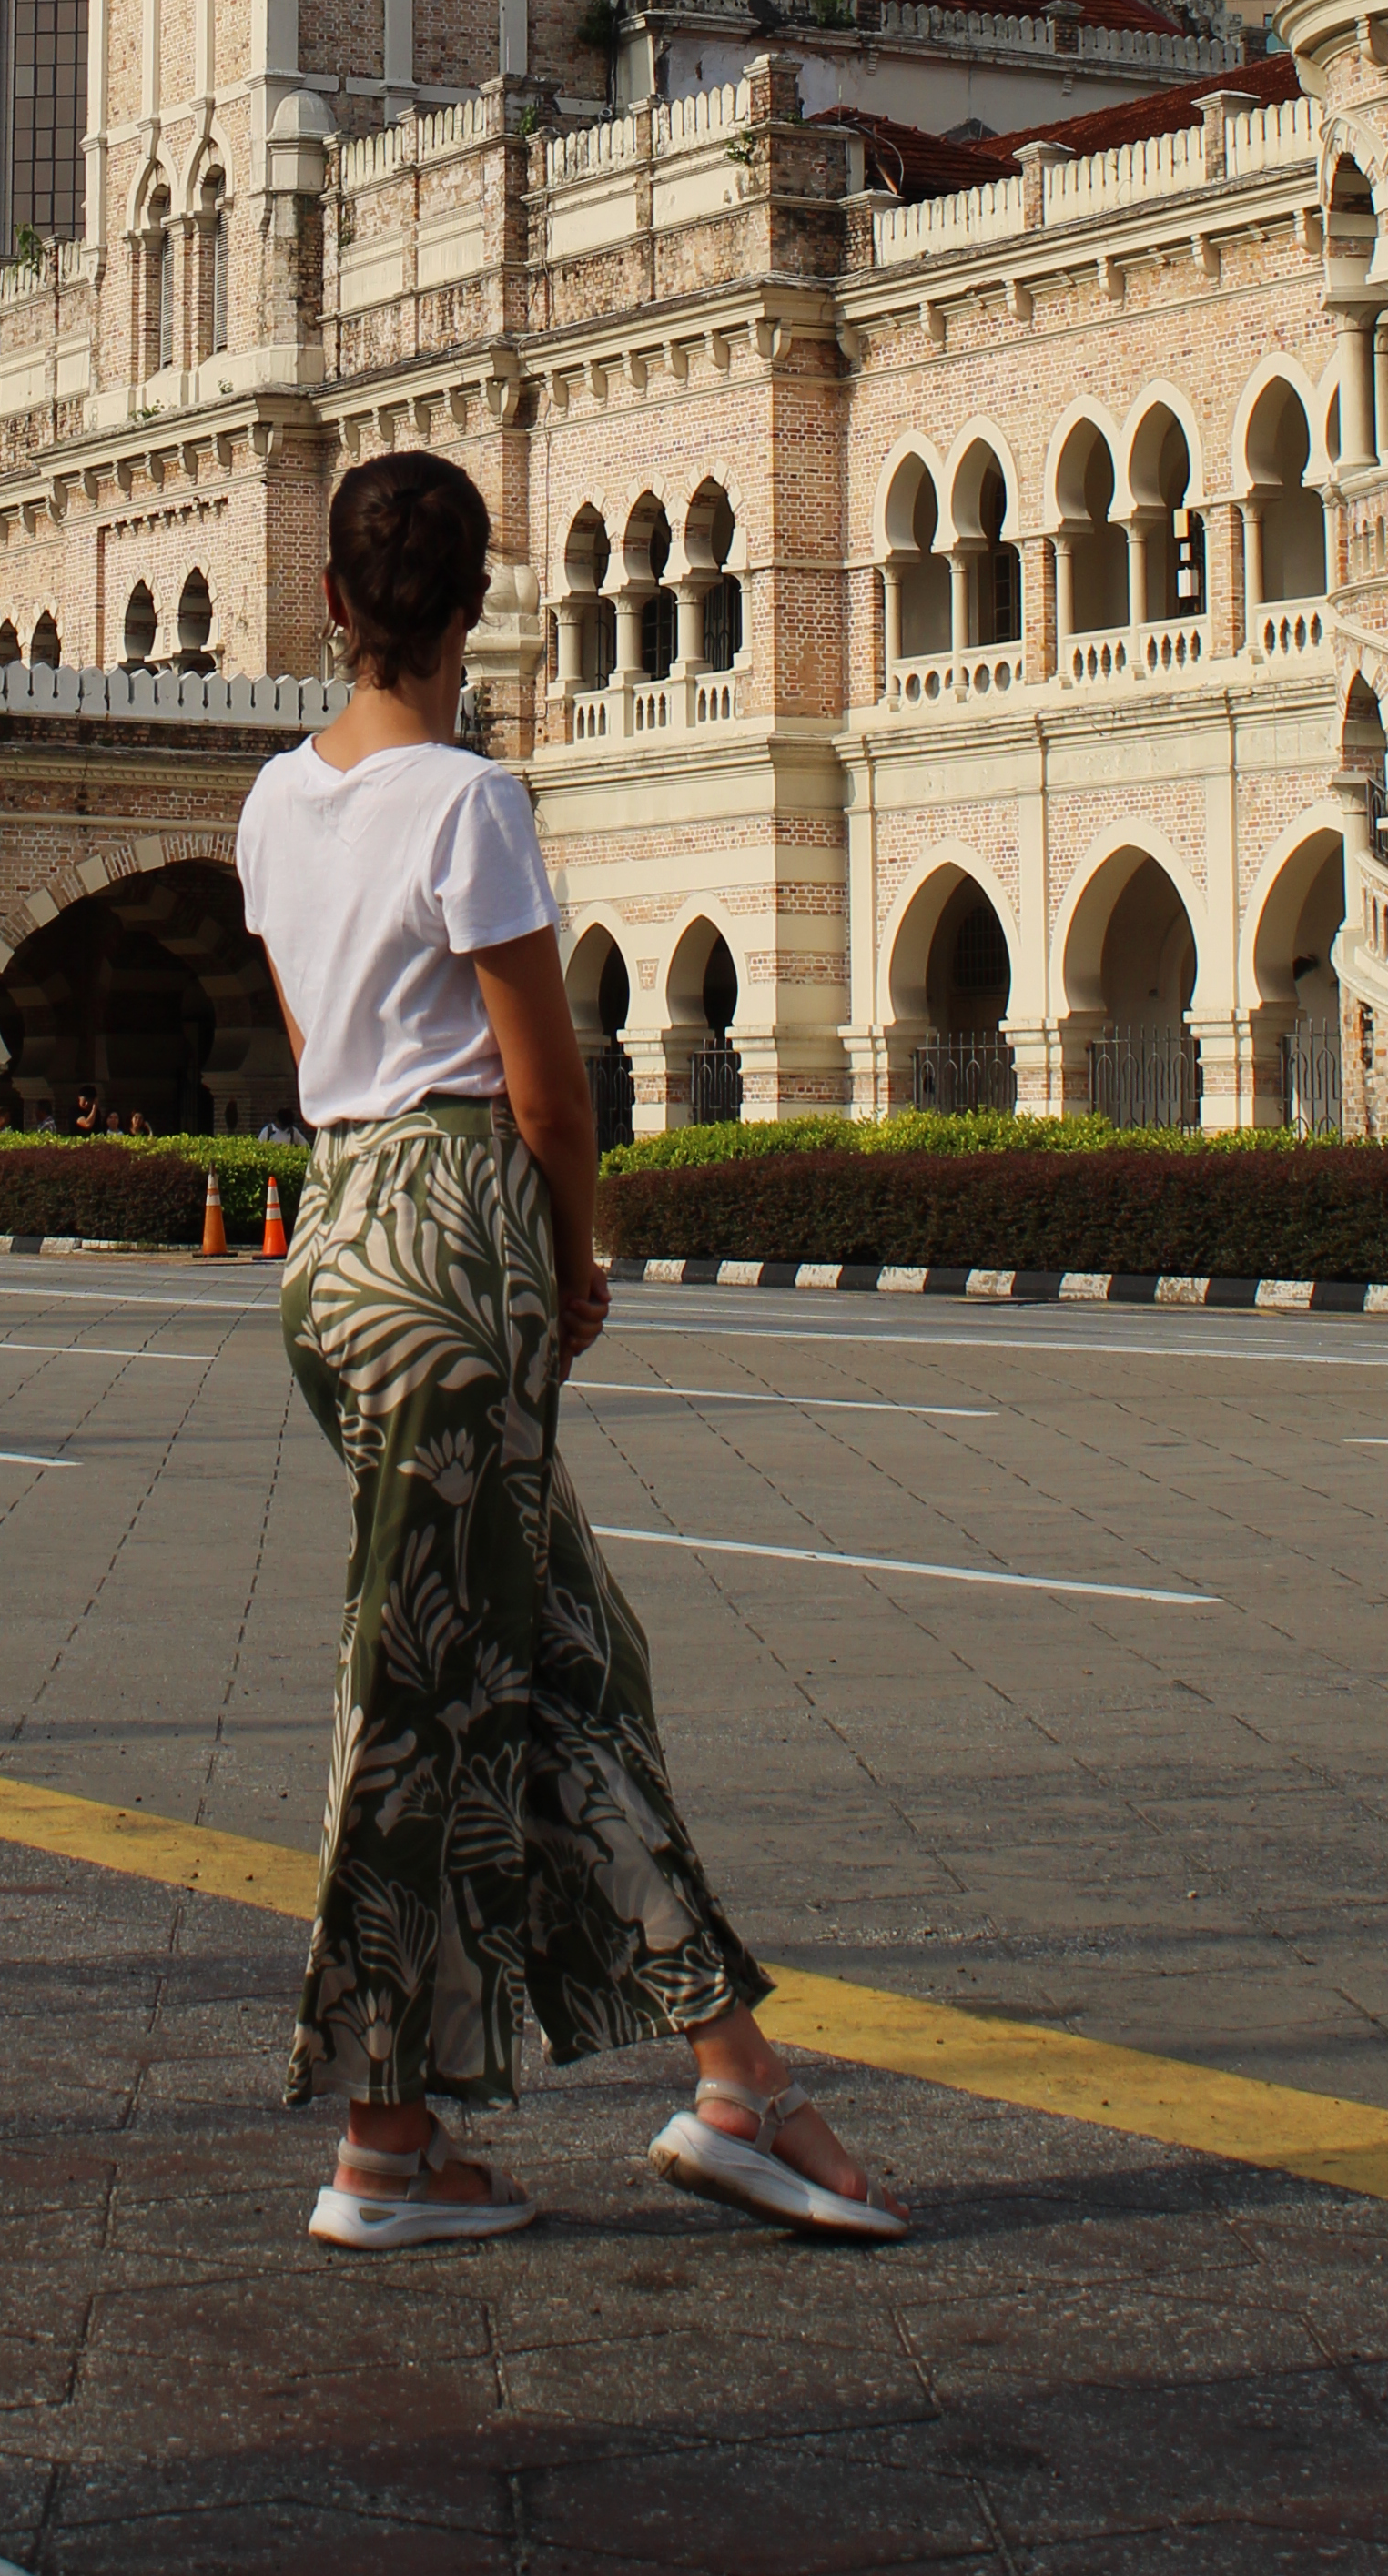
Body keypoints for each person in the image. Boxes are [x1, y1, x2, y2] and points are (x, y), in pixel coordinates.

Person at [238, 450, 908, 2258]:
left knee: (562, 1661)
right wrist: (574, 1263)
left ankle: (731, 2081)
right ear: (475, 616)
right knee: (432, 1693)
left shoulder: (276, 808)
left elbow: (325, 1052)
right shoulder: (473, 802)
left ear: (329, 610)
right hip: (463, 1240)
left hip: (342, 1239)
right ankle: (391, 2141)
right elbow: (548, 1091)